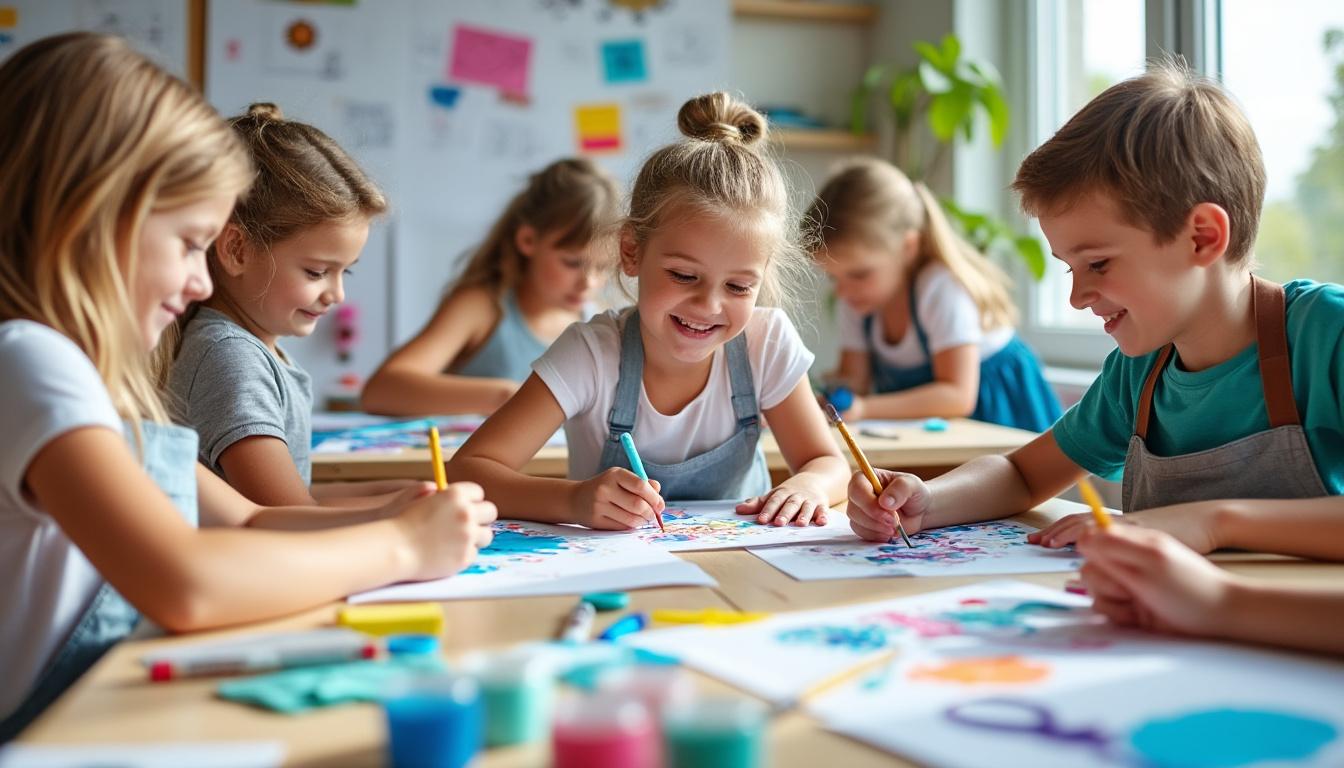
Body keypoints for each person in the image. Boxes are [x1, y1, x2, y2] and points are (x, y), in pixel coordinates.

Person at [0, 34, 494, 738]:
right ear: (92, 221)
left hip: (102, 714)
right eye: (185, 243)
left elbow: (250, 520)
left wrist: (404, 518)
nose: (202, 282)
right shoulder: (31, 364)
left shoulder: (92, 386)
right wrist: (405, 548)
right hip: (55, 734)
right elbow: (186, 583)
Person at [448, 92, 850, 530]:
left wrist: (810, 485)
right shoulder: (591, 354)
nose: (709, 306)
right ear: (631, 251)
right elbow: (468, 471)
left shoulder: (765, 342)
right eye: (683, 275)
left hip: (739, 569)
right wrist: (574, 501)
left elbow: (827, 462)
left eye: (738, 286)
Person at [807, 158, 1060, 431]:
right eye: (834, 277)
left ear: (908, 247)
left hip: (1001, 411)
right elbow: (855, 380)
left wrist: (864, 408)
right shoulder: (858, 300)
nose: (843, 291)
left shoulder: (939, 288)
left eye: (859, 274)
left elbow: (957, 396)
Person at [362, 158, 620, 416]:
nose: (590, 283)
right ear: (528, 240)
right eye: (573, 262)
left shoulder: (597, 322)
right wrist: (505, 396)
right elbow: (381, 390)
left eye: (604, 267)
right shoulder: (482, 307)